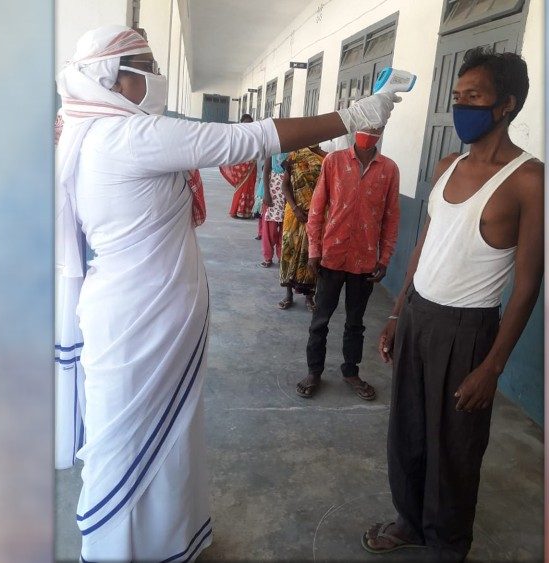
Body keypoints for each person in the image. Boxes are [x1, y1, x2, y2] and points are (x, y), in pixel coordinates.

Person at [54, 25, 400, 562]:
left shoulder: (96, 131)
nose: (157, 76)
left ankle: (165, 542)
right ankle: (116, 551)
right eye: (147, 67)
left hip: (144, 308)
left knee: (161, 438)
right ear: (114, 79)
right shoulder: (129, 137)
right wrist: (352, 116)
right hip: (140, 316)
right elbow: (248, 139)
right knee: (126, 443)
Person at [362, 48, 544, 560]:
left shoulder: (529, 180)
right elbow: (425, 244)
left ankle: (447, 545)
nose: (462, 106)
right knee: (408, 432)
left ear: (506, 104)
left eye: (475, 96)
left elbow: (528, 283)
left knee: (456, 448)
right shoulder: (447, 166)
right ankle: (410, 522)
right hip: (418, 315)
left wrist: (492, 366)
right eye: (458, 96)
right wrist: (397, 312)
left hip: (468, 330)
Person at [295, 127, 399, 400]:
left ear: (382, 130)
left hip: (365, 261)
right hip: (332, 255)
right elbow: (317, 208)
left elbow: (391, 217)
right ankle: (314, 371)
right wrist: (314, 250)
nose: (370, 130)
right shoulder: (334, 161)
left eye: (376, 126)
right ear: (356, 127)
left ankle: (351, 372)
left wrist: (385, 258)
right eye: (366, 124)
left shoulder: (389, 169)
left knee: (355, 322)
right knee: (320, 320)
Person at [278, 145, 326, 311]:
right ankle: (288, 294)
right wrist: (295, 208)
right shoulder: (294, 156)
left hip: (317, 214)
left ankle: (309, 296)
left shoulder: (326, 159)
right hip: (294, 213)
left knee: (312, 254)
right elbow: (285, 186)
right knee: (289, 251)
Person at [218, 114, 259, 219]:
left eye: (250, 123)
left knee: (249, 187)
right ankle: (237, 210)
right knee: (241, 187)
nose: (248, 125)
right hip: (241, 165)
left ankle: (245, 211)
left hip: (252, 165)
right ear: (241, 124)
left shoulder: (255, 135)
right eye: (246, 123)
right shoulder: (237, 135)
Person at [259, 152, 288, 267]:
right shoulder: (273, 151)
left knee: (285, 230)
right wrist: (266, 193)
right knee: (269, 230)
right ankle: (268, 257)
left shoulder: (293, 151)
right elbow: (266, 172)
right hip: (273, 195)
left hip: (288, 195)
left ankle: (282, 257)